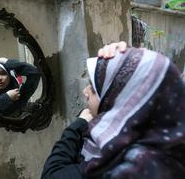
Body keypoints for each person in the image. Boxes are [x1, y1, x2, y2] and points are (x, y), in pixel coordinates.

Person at [41, 45, 185, 178]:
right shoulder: (164, 137)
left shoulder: (126, 164)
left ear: (122, 99)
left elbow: (52, 174)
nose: (85, 92)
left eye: (93, 87)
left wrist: (78, 125)